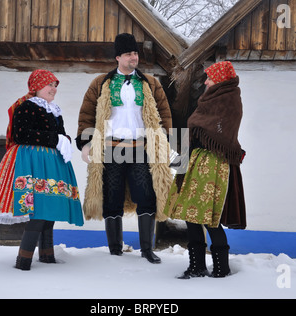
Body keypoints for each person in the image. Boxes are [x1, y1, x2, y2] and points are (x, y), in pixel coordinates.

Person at [76, 33, 173, 263]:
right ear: (118, 57)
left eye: (136, 53)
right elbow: (87, 114)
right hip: (111, 149)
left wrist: (165, 141)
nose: (134, 57)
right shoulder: (101, 83)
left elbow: (165, 113)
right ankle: (115, 250)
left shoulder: (150, 82)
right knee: (112, 197)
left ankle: (147, 250)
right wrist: (85, 143)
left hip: (140, 148)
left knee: (146, 195)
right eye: (129, 53)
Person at [0, 69, 84, 270]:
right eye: (50, 85)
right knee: (38, 211)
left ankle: (47, 256)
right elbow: (21, 135)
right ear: (36, 86)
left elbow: (60, 134)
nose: (54, 89)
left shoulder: (55, 111)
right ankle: (23, 260)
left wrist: (65, 140)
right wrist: (54, 139)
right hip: (32, 162)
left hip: (53, 164)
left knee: (49, 210)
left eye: (55, 85)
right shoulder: (26, 107)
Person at [163, 61, 246, 279]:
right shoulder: (209, 100)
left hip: (214, 164)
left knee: (210, 218)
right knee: (191, 215)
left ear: (219, 79)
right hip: (196, 161)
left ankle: (221, 268)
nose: (206, 82)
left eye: (210, 77)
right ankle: (197, 266)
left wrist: (199, 130)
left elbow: (221, 131)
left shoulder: (229, 101)